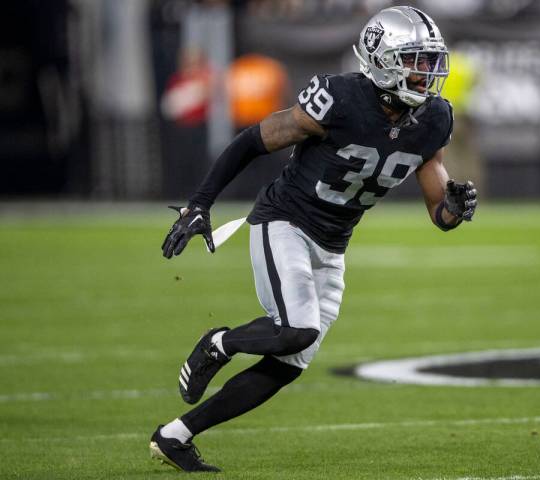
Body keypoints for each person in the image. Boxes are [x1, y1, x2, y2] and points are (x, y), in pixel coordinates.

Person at [150, 5, 477, 473]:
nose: (426, 72)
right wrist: (199, 204)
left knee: (288, 365)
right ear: (381, 58)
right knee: (296, 329)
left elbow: (438, 211)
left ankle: (175, 436)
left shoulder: (433, 118)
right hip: (284, 221)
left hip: (333, 244)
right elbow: (252, 141)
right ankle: (220, 343)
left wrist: (455, 207)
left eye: (429, 61)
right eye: (415, 60)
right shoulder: (339, 98)